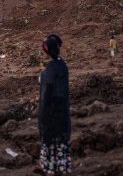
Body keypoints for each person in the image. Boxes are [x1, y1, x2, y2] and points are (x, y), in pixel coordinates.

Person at [38, 34, 71, 175]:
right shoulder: (62, 65)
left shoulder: (48, 72)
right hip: (63, 111)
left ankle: (51, 169)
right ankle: (62, 168)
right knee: (61, 143)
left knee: (50, 142)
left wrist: (42, 117)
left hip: (52, 113)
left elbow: (45, 97)